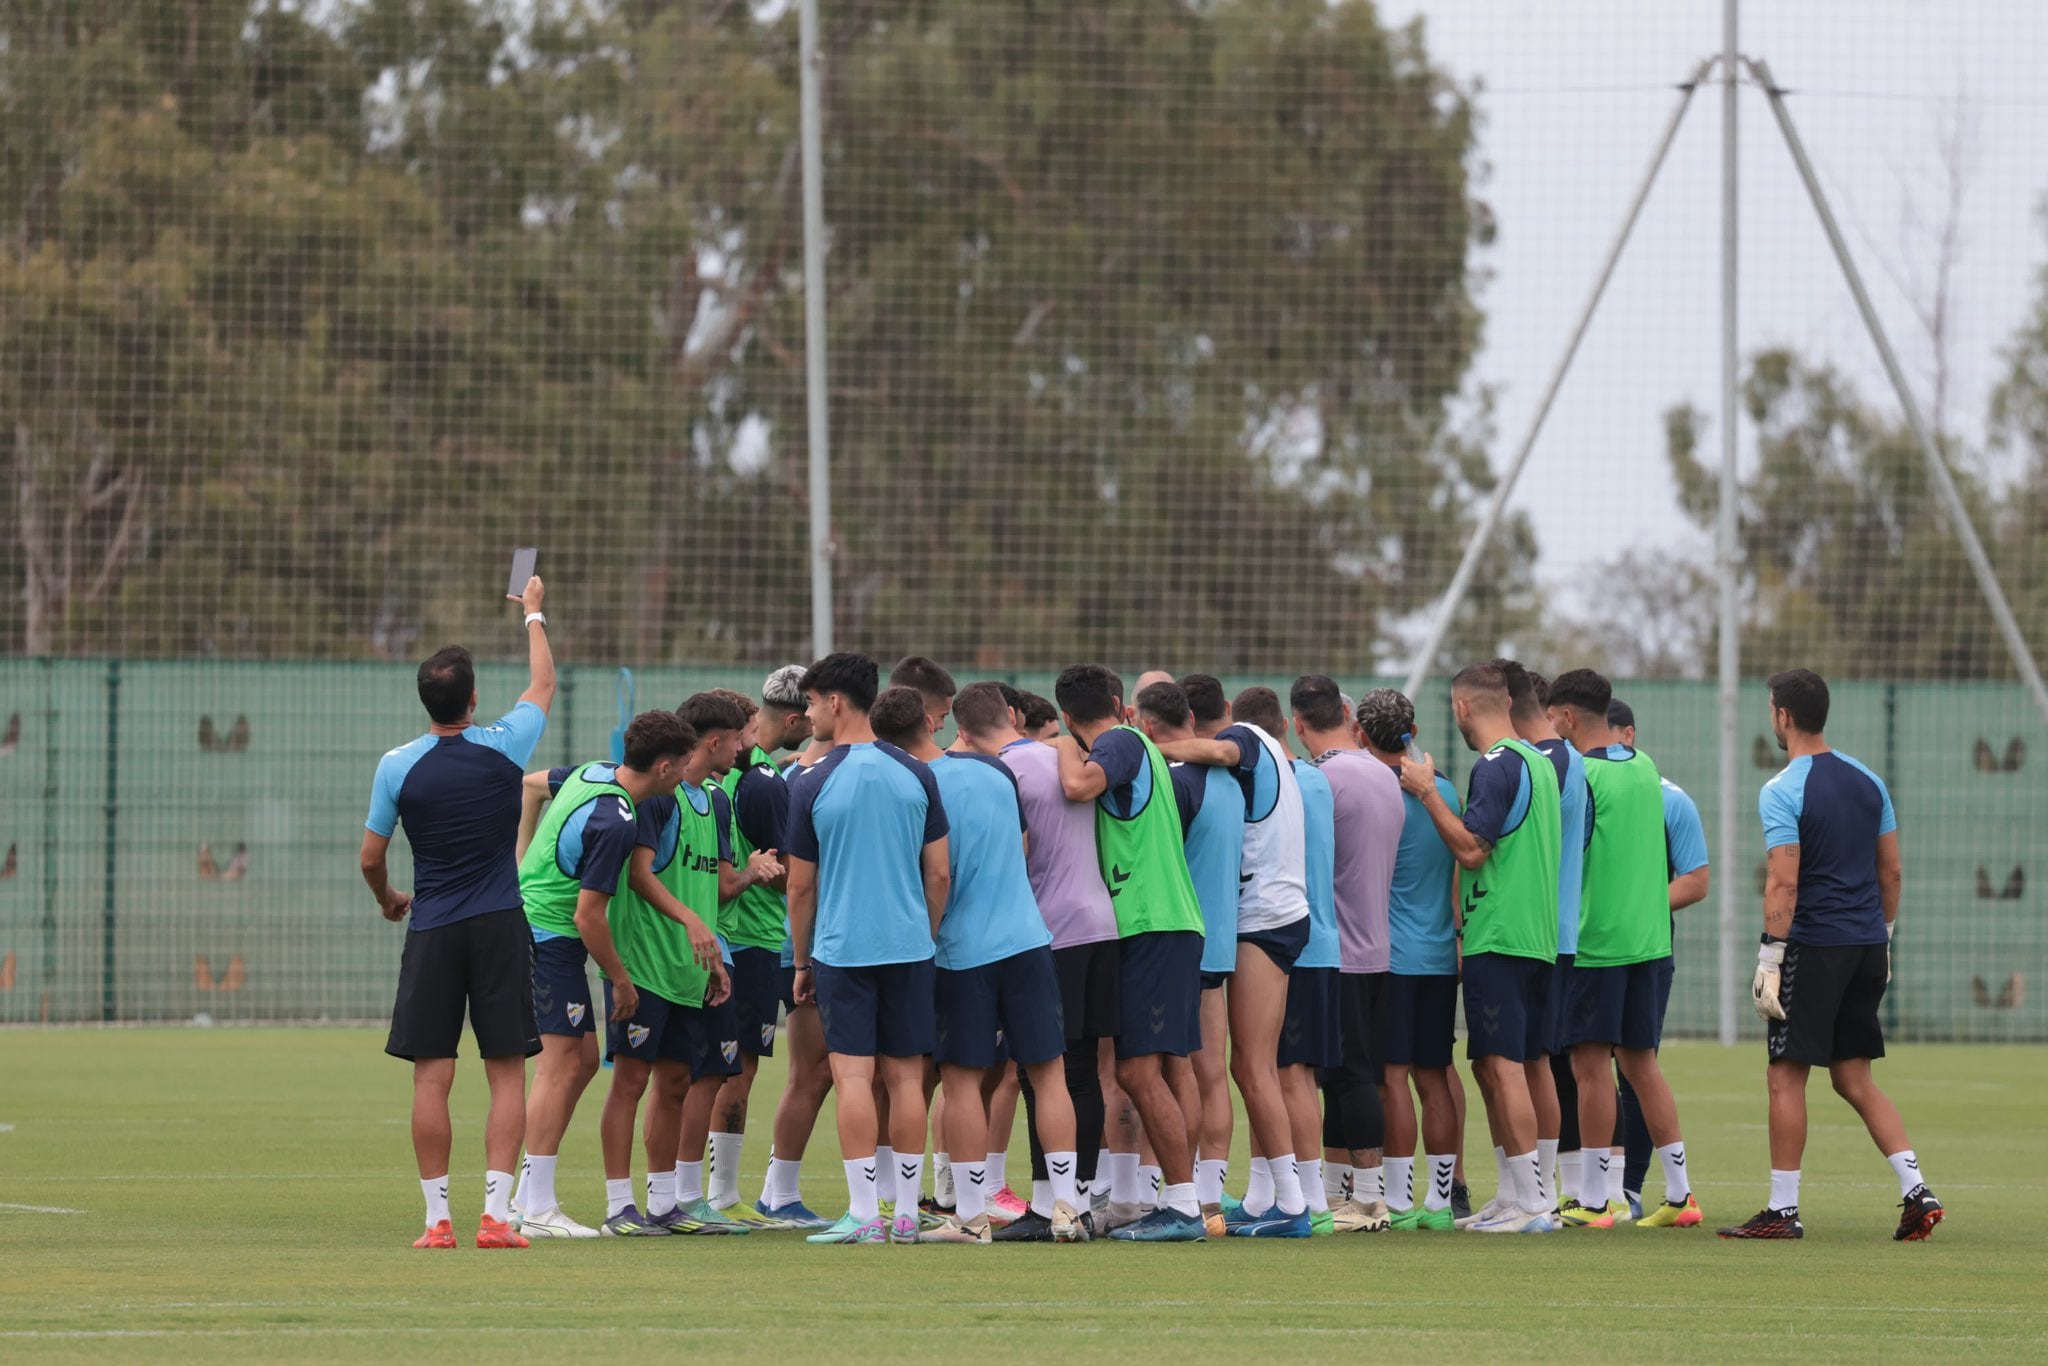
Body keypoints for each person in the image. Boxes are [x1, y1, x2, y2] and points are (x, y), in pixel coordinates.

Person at [361, 577, 554, 1250]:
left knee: (431, 1074)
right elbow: (543, 688)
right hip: (501, 922)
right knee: (506, 1071)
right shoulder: (504, 744)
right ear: (473, 699)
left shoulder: (397, 767)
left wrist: (389, 898)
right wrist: (532, 613)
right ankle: (497, 1218)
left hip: (433, 927)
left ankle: (436, 1221)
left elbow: (368, 857)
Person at [1721, 669, 1942, 1242]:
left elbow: (1782, 881)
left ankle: (1782, 1210)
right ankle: (1917, 1191)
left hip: (1815, 947)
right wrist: (1885, 936)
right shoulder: (1870, 780)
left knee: (1784, 1076)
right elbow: (1890, 870)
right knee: (1853, 1077)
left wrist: (1770, 956)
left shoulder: (1782, 788)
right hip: (1868, 943)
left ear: (1783, 716)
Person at [871, 688, 1086, 1243]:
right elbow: (1023, 846)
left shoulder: (915, 785)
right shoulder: (994, 771)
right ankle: (1067, 1207)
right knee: (1049, 1073)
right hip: (1027, 939)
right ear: (929, 723)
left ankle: (969, 1216)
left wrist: (929, 933)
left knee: (962, 1083)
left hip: (961, 952)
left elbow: (935, 875)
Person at [513, 711, 711, 1237]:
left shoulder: (593, 772)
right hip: (549, 935)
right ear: (666, 767)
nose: (691, 769)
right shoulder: (616, 819)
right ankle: (535, 1209)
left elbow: (530, 786)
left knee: (579, 1061)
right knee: (559, 1066)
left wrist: (522, 860)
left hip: (543, 928)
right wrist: (621, 980)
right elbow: (588, 915)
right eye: (686, 761)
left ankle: (524, 1196)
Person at [787, 653, 951, 1246]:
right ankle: (905, 1213)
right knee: (908, 1080)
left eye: (809, 703)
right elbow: (939, 876)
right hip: (909, 948)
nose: (806, 716)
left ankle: (864, 1213)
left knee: (852, 1078)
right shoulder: (918, 771)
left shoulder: (810, 781)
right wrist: (922, 933)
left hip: (842, 950)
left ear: (835, 702)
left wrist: (802, 962)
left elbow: (800, 886)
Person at [1399, 660, 1560, 1234]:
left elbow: (1472, 850)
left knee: (1503, 1065)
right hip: (1534, 934)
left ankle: (1535, 1205)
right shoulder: (1540, 764)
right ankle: (1517, 1194)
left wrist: (1425, 793)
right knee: (1499, 1066)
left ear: (1465, 708)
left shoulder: (1494, 767)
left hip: (1501, 932)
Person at [954, 683, 1119, 1243]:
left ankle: (1051, 1203)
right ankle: (1078, 1201)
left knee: (1041, 1071)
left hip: (1051, 929)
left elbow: (1011, 854)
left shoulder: (1001, 773)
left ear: (964, 732)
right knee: (1085, 1072)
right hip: (1101, 920)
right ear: (1014, 716)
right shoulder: (1057, 755)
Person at [1054, 664, 1207, 1242]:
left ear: (1069, 717)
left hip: (1154, 925)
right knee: (1154, 1067)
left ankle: (1186, 1206)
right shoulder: (1138, 745)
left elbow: (1078, 786)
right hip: (1157, 925)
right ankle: (1163, 1198)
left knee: (1140, 1070)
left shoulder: (1119, 742)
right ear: (1119, 701)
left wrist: (1055, 750)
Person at [1157, 684, 1316, 1238]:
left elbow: (1222, 752)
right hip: (1279, 914)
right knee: (1255, 1066)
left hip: (1266, 919)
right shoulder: (1276, 754)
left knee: (1252, 1066)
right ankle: (1269, 1196)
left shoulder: (1243, 739)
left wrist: (1151, 752)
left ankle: (1293, 1208)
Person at [1547, 668, 1700, 1230]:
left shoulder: (1577, 775)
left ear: (1565, 717)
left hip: (1599, 943)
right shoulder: (1646, 768)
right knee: (1642, 1065)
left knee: (1590, 1069)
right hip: (1650, 943)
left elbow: (1572, 854)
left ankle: (1593, 1200)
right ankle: (1681, 1195)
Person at [646, 692, 783, 1234]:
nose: (748, 745)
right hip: (660, 959)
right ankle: (636, 1202)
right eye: (741, 736)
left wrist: (750, 872)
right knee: (649, 1081)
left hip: (712, 959)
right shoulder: (661, 798)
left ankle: (684, 1197)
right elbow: (639, 875)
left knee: (705, 1073)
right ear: (714, 741)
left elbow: (723, 887)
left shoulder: (718, 801)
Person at [1293, 677, 1406, 1233]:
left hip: (1337, 950)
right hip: (1376, 945)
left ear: (1297, 724)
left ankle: (1369, 1200)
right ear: (1345, 711)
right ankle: (1348, 1197)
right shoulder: (1386, 775)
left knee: (1352, 1076)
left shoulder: (1321, 780)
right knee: (1343, 1076)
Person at [1134, 680, 1244, 1233]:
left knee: (1169, 1070)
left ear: (1148, 725)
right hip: (1219, 935)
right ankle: (1205, 1197)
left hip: (1181, 935)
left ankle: (1172, 1198)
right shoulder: (1226, 776)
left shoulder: (1178, 780)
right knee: (1208, 1074)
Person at [1356, 690, 1465, 1231]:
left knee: (1391, 1078)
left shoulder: (1375, 792)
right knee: (1435, 1076)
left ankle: (1398, 1201)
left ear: (1359, 734)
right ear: (1413, 727)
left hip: (1392, 959)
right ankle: (1440, 1204)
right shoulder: (1442, 789)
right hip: (1441, 956)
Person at [731, 666, 835, 1229]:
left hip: (748, 937)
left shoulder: (750, 771)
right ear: (796, 717)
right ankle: (766, 1193)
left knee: (806, 1069)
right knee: (807, 1069)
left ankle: (766, 1190)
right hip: (771, 941)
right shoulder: (765, 781)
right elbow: (790, 874)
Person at [1608, 697, 1712, 1218]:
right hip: (1590, 946)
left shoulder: (1670, 799)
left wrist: (1635, 905)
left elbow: (1695, 881)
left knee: (1634, 1069)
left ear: (1628, 734)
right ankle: (1597, 1188)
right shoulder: (1583, 784)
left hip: (1645, 950)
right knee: (1583, 1065)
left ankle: (1628, 1189)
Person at [1494, 666, 1575, 1226]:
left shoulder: (1535, 764)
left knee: (1519, 1062)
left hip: (1532, 928)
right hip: (1556, 930)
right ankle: (1532, 1191)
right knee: (1535, 1061)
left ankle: (1535, 1196)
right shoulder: (1561, 762)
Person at [1283, 716, 1344, 1238]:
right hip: (1325, 942)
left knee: (1290, 1075)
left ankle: (1311, 1200)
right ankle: (1289, 1193)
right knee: (1295, 1076)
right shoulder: (1315, 778)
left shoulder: (1275, 782)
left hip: (1295, 946)